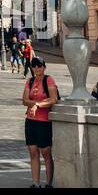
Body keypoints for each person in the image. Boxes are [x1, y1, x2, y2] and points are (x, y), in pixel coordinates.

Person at [21, 58, 58, 188]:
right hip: (31, 121)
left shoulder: (49, 80)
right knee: (33, 151)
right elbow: (24, 100)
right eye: (35, 66)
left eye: (40, 66)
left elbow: (54, 99)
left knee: (46, 152)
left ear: (44, 67)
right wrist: (35, 103)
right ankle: (35, 183)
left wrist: (38, 104)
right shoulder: (30, 81)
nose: (37, 68)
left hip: (44, 121)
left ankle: (48, 183)